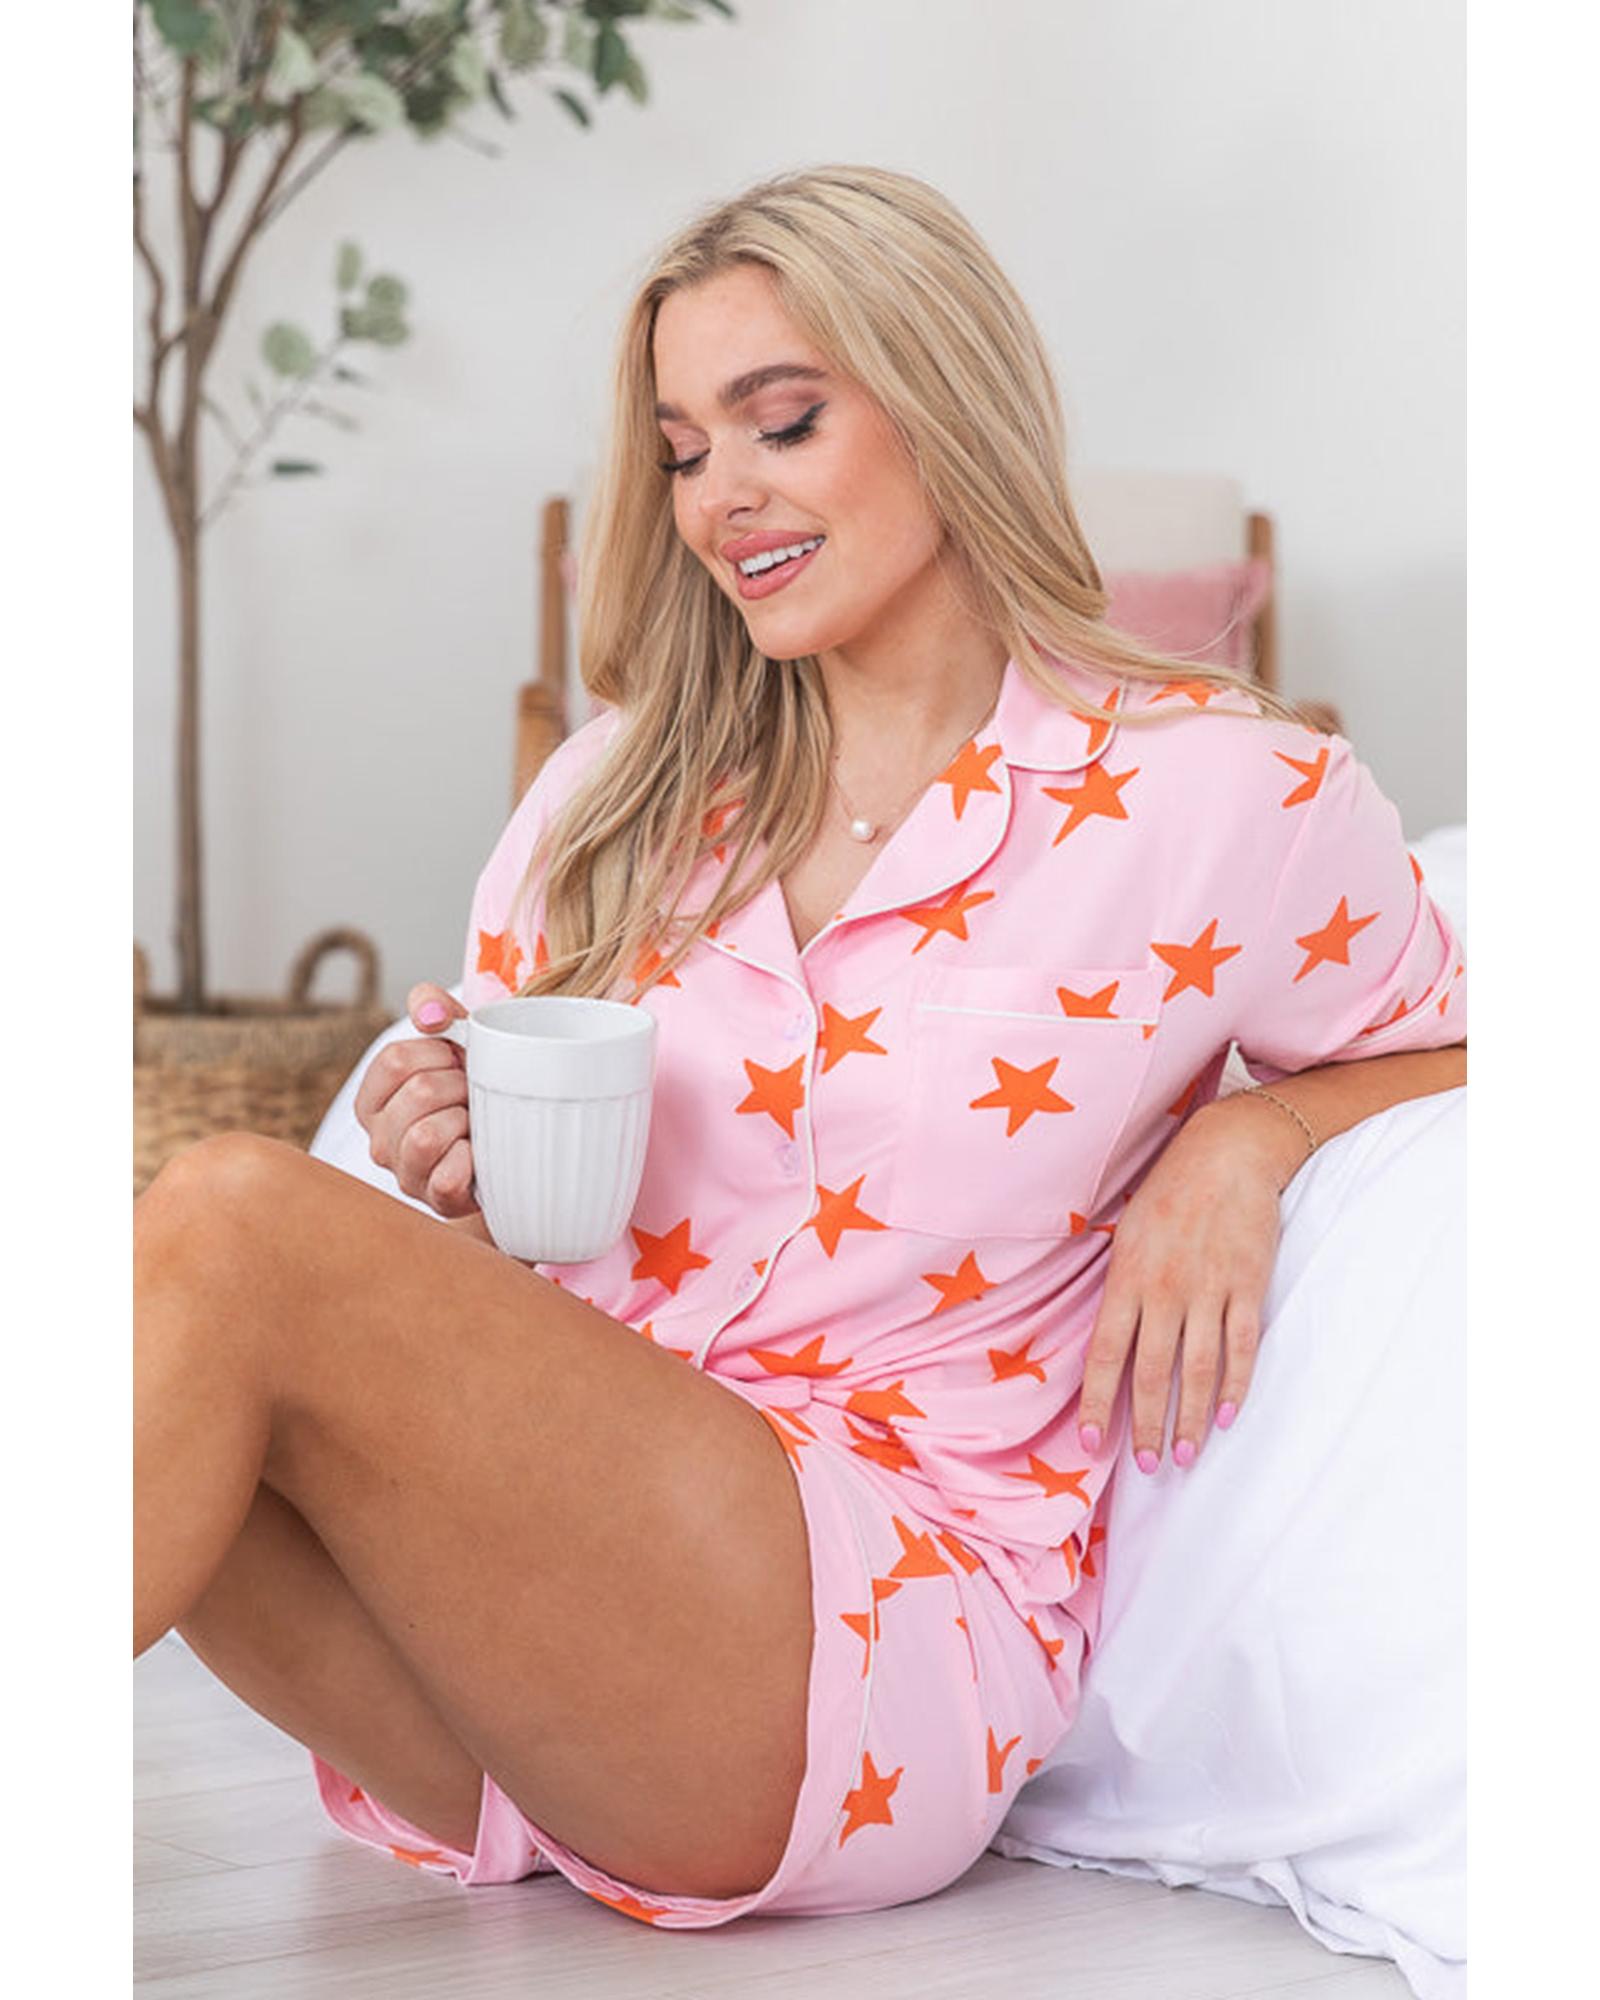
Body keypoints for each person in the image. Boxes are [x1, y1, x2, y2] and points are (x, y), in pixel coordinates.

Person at [133, 164, 1467, 1929]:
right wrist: (455, 1164)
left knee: (230, 1214)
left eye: (782, 423)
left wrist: (1252, 1138)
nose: (721, 497)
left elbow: (1481, 1040)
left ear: (943, 399)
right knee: (183, 1293)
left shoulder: (1225, 793)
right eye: (686, 451)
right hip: (548, 1642)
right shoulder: (609, 801)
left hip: (869, 1646)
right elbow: (541, 1268)